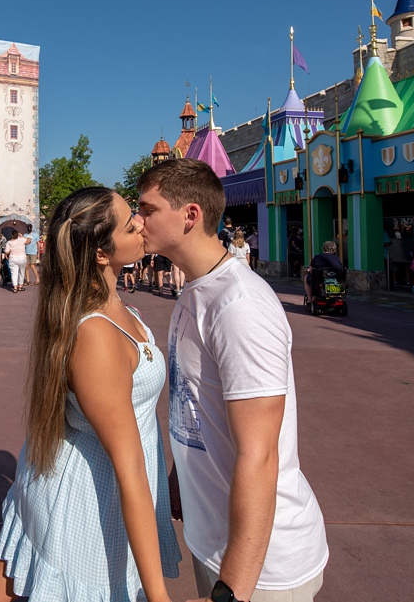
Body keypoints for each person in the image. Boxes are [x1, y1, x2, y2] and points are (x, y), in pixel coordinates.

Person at [0, 186, 180, 602]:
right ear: (101, 253)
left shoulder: (117, 309)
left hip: (82, 480)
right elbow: (129, 468)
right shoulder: (96, 334)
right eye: (131, 224)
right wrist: (160, 597)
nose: (141, 225)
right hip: (86, 500)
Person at [136, 158, 328, 602]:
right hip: (216, 542)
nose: (137, 220)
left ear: (189, 216)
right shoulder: (196, 290)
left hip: (261, 567)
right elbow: (195, 402)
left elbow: (260, 455)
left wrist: (232, 591)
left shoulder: (239, 305)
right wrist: (179, 480)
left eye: (147, 209)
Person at [303, 241, 344, 305]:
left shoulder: (318, 257)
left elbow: (310, 270)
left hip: (321, 281)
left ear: (324, 248)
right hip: (335, 281)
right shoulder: (337, 259)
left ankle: (309, 299)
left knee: (307, 278)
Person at [5, 228, 30, 292]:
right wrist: (22, 236)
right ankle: (20, 286)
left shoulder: (9, 242)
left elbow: (7, 251)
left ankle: (15, 287)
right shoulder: (21, 240)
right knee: (21, 272)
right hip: (22, 257)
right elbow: (28, 241)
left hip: (13, 258)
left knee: (14, 273)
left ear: (11, 235)